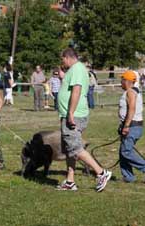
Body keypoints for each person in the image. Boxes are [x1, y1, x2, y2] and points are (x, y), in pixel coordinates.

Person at [57, 48, 112, 192]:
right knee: (70, 149)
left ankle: (101, 173)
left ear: (67, 57)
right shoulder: (75, 70)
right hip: (69, 114)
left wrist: (70, 113)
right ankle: (70, 181)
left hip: (74, 115)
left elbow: (77, 90)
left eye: (62, 59)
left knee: (75, 148)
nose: (62, 62)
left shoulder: (77, 69)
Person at [118, 70, 145, 183]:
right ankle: (128, 177)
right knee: (123, 151)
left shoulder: (130, 92)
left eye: (122, 80)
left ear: (128, 81)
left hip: (132, 126)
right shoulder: (133, 91)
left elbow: (132, 109)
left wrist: (126, 126)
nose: (121, 82)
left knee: (126, 152)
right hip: (134, 126)